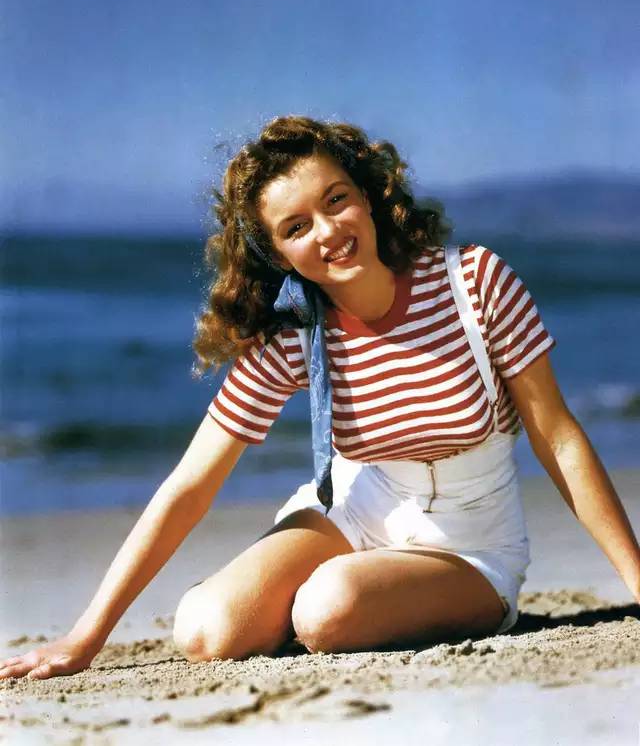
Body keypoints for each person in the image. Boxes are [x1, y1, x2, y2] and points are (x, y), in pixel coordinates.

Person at [1, 115, 639, 680]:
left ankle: (348, 603)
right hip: (351, 515)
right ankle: (330, 599)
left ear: (368, 194)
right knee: (206, 631)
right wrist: (86, 637)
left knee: (329, 609)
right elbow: (190, 485)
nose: (329, 231)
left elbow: (559, 439)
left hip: (468, 543)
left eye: (337, 200)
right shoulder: (297, 336)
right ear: (277, 253)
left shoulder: (474, 284)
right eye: (297, 226)